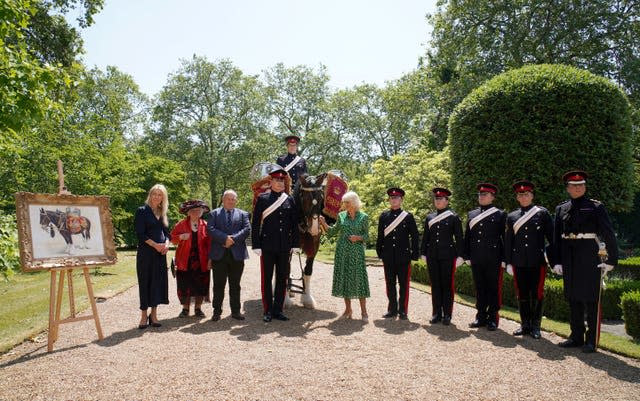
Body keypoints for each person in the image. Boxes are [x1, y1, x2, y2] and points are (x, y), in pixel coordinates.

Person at [552, 170, 618, 353]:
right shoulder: (561, 209)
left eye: (581, 185)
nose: (578, 188)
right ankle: (576, 336)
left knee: (591, 299)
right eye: (574, 185)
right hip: (569, 257)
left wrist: (611, 259)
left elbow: (608, 233)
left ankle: (591, 340)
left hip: (589, 256)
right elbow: (556, 238)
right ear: (568, 188)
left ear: (585, 186)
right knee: (573, 298)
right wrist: (556, 261)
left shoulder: (596, 207)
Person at [504, 181, 554, 339]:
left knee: (537, 294)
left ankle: (536, 326)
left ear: (532, 195)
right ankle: (525, 325)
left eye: (526, 194)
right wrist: (508, 262)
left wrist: (555, 260)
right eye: (520, 194)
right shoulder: (512, 217)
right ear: (517, 198)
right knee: (522, 294)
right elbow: (508, 242)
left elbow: (552, 239)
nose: (523, 196)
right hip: (519, 262)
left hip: (537, 261)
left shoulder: (542, 213)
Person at [252, 168, 300, 322]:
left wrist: (296, 243)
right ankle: (267, 310)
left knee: (282, 279)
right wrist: (256, 245)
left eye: (282, 181)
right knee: (266, 279)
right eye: (277, 180)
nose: (280, 183)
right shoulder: (263, 198)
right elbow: (255, 224)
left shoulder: (289, 199)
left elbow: (294, 224)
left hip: (284, 246)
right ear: (270, 182)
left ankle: (278, 310)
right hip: (267, 246)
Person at [319, 191, 370, 322]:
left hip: (357, 253)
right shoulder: (341, 216)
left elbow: (367, 237)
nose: (344, 204)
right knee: (345, 279)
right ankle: (348, 310)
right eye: (344, 202)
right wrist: (324, 223)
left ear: (353, 203)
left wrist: (358, 237)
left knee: (359, 280)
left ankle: (364, 312)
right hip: (342, 252)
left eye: (346, 202)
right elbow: (332, 232)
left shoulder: (364, 217)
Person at [464, 183, 507, 331]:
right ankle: (480, 316)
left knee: (493, 288)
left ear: (492, 197)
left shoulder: (500, 214)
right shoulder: (472, 214)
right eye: (480, 194)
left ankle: (493, 318)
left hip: (493, 258)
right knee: (479, 288)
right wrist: (466, 255)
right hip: (476, 257)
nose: (481, 197)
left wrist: (504, 259)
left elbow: (504, 238)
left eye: (485, 195)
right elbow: (467, 237)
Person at [421, 187, 464, 325]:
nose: (438, 201)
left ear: (446, 201)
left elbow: (459, 238)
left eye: (441, 199)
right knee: (435, 285)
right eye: (436, 199)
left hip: (448, 256)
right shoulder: (430, 217)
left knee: (447, 285)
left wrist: (460, 256)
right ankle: (436, 313)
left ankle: (447, 314)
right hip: (433, 255)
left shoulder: (453, 217)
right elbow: (426, 238)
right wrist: (423, 253)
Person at [376, 187, 420, 320]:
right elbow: (380, 236)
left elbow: (415, 236)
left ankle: (403, 311)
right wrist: (380, 252)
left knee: (404, 285)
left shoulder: (407, 217)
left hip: (403, 256)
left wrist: (414, 254)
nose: (393, 200)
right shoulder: (384, 216)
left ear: (401, 200)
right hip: (388, 256)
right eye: (391, 198)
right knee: (390, 284)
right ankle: (392, 309)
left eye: (396, 197)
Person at [207, 190, 251, 321]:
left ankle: (236, 311)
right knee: (218, 284)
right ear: (223, 199)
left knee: (235, 284)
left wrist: (232, 240)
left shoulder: (243, 214)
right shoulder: (214, 214)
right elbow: (210, 229)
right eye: (228, 199)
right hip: (219, 255)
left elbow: (247, 229)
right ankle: (216, 311)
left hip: (237, 255)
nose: (231, 201)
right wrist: (224, 238)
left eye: (233, 199)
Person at [134, 184, 171, 329]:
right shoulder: (142, 211)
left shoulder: (162, 212)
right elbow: (140, 234)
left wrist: (166, 244)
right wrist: (156, 245)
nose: (157, 196)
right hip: (146, 254)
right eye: (154, 194)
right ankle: (144, 315)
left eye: (160, 194)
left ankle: (154, 315)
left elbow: (167, 233)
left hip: (160, 255)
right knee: (145, 283)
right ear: (150, 195)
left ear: (163, 198)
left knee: (157, 283)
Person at [170, 199, 211, 319]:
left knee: (201, 284)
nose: (195, 213)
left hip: (201, 261)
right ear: (188, 212)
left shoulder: (206, 225)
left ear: (202, 212)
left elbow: (210, 244)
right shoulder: (181, 224)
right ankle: (185, 309)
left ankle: (198, 308)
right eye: (193, 211)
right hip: (184, 260)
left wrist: (210, 259)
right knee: (184, 285)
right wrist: (181, 237)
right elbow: (172, 239)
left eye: (198, 211)